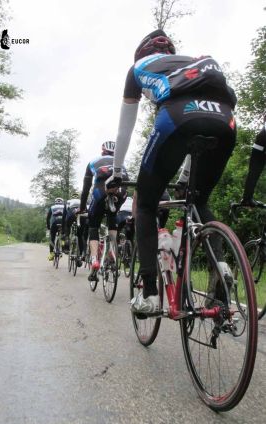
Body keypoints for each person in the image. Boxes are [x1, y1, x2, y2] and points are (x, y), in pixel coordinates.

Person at [106, 29, 237, 313]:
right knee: (199, 200)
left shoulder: (138, 68)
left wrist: (117, 171)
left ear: (142, 53)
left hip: (178, 117)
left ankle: (150, 295)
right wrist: (185, 177)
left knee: (145, 203)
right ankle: (223, 266)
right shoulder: (193, 64)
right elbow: (203, 122)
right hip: (225, 120)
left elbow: (125, 129)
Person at [78, 141, 128, 279]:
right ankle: (112, 250)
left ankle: (94, 261)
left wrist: (82, 207)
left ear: (102, 152)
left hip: (101, 191)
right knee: (112, 218)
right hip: (121, 192)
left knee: (93, 226)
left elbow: (85, 189)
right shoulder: (121, 163)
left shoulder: (93, 162)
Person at [241, 116, 266, 206]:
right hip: (259, 149)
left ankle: (247, 198)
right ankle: (246, 199)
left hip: (260, 148)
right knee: (254, 173)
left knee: (254, 174)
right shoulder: (263, 133)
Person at [62, 198, 89, 262]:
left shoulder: (68, 202)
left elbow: (64, 216)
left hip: (71, 213)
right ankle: (81, 254)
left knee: (67, 225)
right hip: (82, 215)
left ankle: (67, 239)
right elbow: (87, 212)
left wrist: (64, 230)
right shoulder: (83, 201)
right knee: (80, 235)